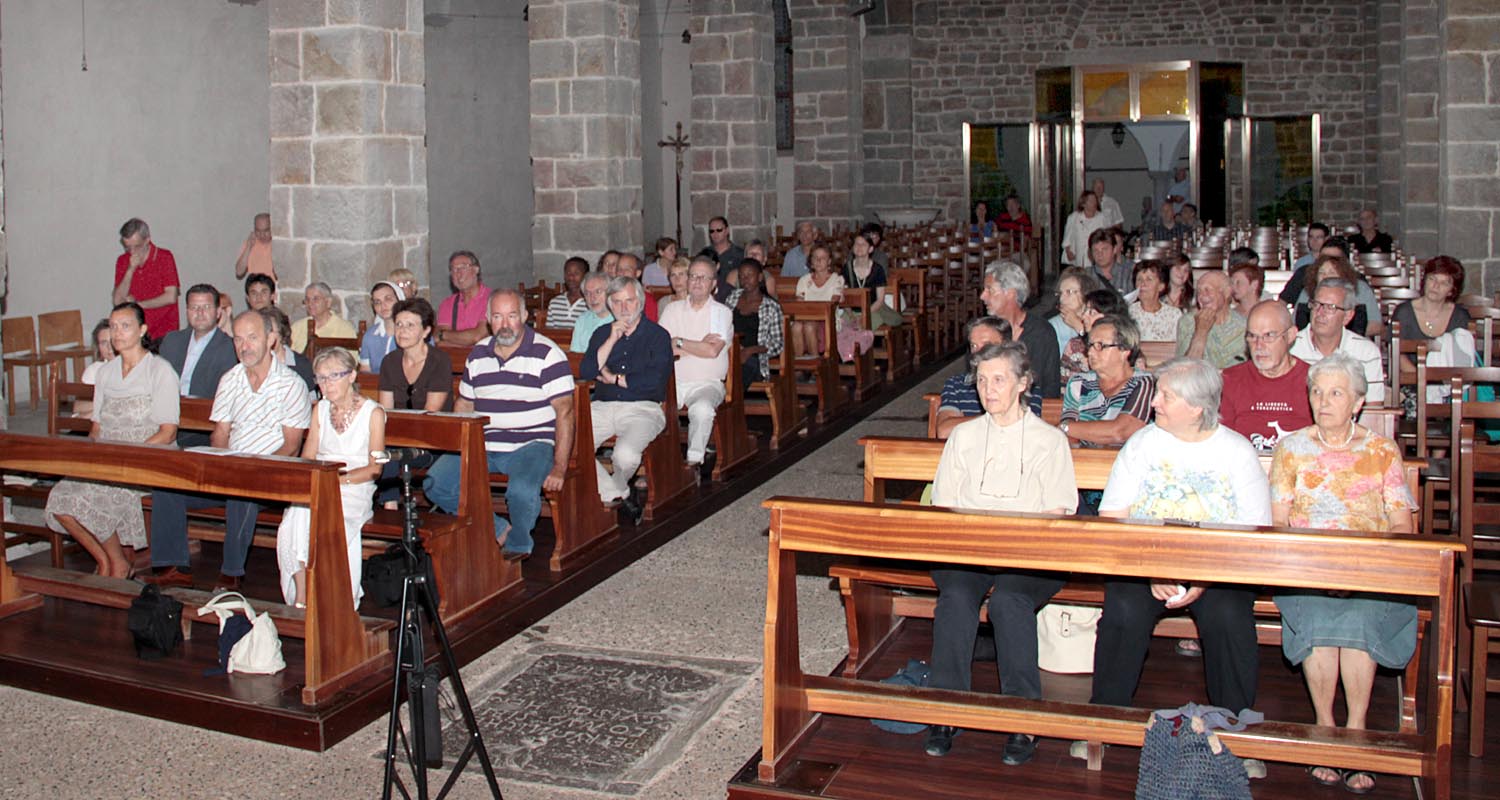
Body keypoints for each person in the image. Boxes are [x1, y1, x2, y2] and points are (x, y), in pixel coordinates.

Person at [1091, 358, 1272, 776]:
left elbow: (1255, 531)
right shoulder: (1143, 444)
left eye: (1166, 396)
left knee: (1228, 616)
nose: (1154, 402)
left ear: (1196, 407)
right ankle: (1104, 721)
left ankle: (1234, 733)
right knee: (1123, 609)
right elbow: (1113, 515)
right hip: (1147, 562)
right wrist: (1152, 569)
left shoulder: (1236, 451)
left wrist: (1204, 578)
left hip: (1219, 567)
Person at [924, 342, 1078, 763]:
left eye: (998, 380)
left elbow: (1057, 513)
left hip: (1031, 555)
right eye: (981, 380)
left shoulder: (1049, 440)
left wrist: (1015, 543)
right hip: (969, 550)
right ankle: (945, 709)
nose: (987, 389)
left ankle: (1023, 717)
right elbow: (945, 503)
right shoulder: (964, 436)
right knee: (956, 597)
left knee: (1009, 601)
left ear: (1023, 383)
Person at [1271, 353, 1415, 795]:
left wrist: (1365, 568)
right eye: (1317, 392)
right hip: (1307, 569)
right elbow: (1278, 523)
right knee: (1317, 618)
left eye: (1335, 393)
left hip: (1369, 571)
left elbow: (1401, 525)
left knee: (1359, 618)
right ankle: (1324, 725)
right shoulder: (1291, 449)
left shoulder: (1381, 451)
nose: (1323, 400)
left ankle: (1355, 730)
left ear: (1357, 402)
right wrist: (1313, 566)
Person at [141, 310, 311, 591]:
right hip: (232, 468)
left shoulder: (291, 384)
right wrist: (224, 464)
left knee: (241, 492)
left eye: (252, 338)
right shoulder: (230, 379)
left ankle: (231, 575)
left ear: (270, 339)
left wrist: (254, 471)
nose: (244, 346)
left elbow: (291, 446)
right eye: (238, 339)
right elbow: (220, 432)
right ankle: (173, 568)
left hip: (274, 473)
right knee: (168, 487)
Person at [424, 290, 574, 561]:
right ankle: (498, 528)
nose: (505, 324)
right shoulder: (478, 354)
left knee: (521, 491)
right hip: (484, 443)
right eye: (497, 317)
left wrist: (560, 466)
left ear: (525, 316)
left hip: (531, 444)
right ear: (488, 319)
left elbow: (565, 412)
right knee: (436, 482)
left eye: (512, 316)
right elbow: (464, 404)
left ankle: (518, 545)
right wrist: (457, 448)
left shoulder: (547, 354)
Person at [46, 303, 180, 579]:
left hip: (147, 459)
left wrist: (130, 457)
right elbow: (96, 428)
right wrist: (92, 459)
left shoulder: (159, 370)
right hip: (108, 458)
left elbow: (168, 432)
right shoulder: (106, 373)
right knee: (61, 496)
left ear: (142, 330)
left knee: (97, 495)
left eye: (125, 326)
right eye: (114, 326)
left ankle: (114, 565)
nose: (117, 333)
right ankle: (109, 560)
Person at [275, 347, 385, 608]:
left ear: (352, 376)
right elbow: (308, 456)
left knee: (328, 520)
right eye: (321, 378)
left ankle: (333, 600)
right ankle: (302, 595)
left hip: (354, 487)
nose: (326, 384)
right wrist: (316, 479)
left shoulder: (373, 413)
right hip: (320, 481)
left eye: (334, 376)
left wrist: (337, 480)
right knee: (296, 516)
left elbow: (375, 468)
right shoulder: (320, 409)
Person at [579, 277, 674, 522]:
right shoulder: (602, 333)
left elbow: (654, 380)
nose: (624, 308)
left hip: (643, 408)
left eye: (629, 301)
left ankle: (615, 490)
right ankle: (617, 494)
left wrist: (616, 378)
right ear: (610, 305)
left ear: (640, 302)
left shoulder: (658, 335)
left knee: (625, 455)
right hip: (602, 406)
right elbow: (587, 371)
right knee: (569, 447)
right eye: (617, 302)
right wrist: (612, 339)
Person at [660, 257, 734, 468]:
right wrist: (698, 345)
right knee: (648, 408)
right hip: (672, 382)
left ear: (713, 284)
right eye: (693, 276)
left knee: (702, 409)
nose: (697, 282)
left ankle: (693, 462)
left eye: (703, 277)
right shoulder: (672, 310)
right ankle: (657, 466)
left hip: (707, 383)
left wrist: (679, 342)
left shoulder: (721, 313)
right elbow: (660, 349)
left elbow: (711, 351)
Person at [1219, 300, 1312, 453]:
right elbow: (1222, 442)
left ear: (1290, 335)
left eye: (1268, 336)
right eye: (1252, 336)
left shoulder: (1314, 381)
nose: (1259, 345)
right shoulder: (1231, 380)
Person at [158, 284, 238, 447]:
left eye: (206, 307)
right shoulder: (172, 340)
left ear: (218, 312)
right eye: (194, 307)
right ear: (187, 311)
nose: (200, 313)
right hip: (163, 419)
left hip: (202, 428)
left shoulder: (230, 347)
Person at [1060, 314, 1154, 448]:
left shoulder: (1143, 382)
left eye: (1100, 346)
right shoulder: (1079, 383)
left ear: (1124, 350)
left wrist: (1067, 427)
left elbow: (1121, 431)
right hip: (1086, 458)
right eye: (1090, 345)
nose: (1090, 352)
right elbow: (1069, 434)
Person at [1290, 279, 1387, 403]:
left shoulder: (1366, 352)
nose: (1320, 313)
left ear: (1347, 316)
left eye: (1330, 307)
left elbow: (1374, 407)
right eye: (1316, 304)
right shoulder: (1290, 347)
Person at [981, 260, 1061, 400]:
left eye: (990, 290)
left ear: (1010, 294)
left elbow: (1050, 387)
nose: (982, 296)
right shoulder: (983, 332)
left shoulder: (1041, 332)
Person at [934, 316, 1020, 438]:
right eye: (974, 346)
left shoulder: (1020, 386)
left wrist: (965, 423)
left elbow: (1024, 431)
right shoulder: (956, 385)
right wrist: (997, 418)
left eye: (986, 345)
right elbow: (944, 431)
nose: (977, 353)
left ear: (1006, 346)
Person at [378, 297, 453, 413]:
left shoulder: (440, 361)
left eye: (410, 325)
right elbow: (386, 410)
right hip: (397, 423)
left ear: (426, 331)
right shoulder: (389, 361)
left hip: (433, 423)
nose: (402, 330)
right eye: (398, 324)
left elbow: (431, 412)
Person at [1290, 245, 1382, 337]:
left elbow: (1376, 326)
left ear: (1343, 275)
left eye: (1331, 272)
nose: (1326, 276)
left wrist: (1339, 334)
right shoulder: (1307, 292)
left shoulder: (1361, 289)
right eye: (1321, 273)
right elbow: (1294, 323)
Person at [112, 218, 180, 334]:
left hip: (164, 331)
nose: (132, 252)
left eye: (137, 246)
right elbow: (118, 301)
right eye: (127, 247)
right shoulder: (122, 261)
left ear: (147, 240)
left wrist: (138, 305)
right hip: (136, 332)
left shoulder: (164, 257)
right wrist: (130, 270)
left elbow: (171, 296)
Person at [725, 259, 785, 382]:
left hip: (756, 358)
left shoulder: (771, 306)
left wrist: (750, 350)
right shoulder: (732, 298)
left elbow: (777, 344)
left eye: (749, 275)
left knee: (743, 368)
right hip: (731, 352)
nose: (745, 279)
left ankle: (730, 393)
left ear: (760, 277)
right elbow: (722, 328)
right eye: (741, 276)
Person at [1175, 270, 1246, 369]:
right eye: (1199, 291)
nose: (1202, 296)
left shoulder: (1243, 326)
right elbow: (1185, 369)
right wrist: (1200, 332)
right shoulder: (1188, 322)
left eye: (1207, 290)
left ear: (1227, 292)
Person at [1392, 255, 1471, 343]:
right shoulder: (1403, 312)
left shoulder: (1460, 317)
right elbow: (1396, 349)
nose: (1436, 286)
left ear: (1451, 291)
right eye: (1432, 279)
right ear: (1425, 280)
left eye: (1444, 283)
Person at [794, 244, 848, 359]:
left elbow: (832, 303)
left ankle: (815, 363)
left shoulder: (836, 280)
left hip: (828, 320)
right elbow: (799, 304)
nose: (818, 261)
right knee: (796, 326)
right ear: (811, 261)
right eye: (815, 257)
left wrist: (814, 312)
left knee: (809, 326)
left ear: (829, 261)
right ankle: (799, 364)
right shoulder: (804, 280)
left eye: (823, 258)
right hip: (806, 318)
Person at [1049, 267, 1103, 381]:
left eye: (1069, 292)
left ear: (1085, 293)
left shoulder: (1099, 319)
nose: (1062, 299)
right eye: (1060, 293)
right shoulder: (1053, 325)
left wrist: (1079, 327)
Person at [843, 232, 904, 331]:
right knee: (841, 328)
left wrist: (863, 316)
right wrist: (851, 315)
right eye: (856, 244)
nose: (859, 247)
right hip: (851, 312)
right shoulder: (847, 268)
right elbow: (843, 295)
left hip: (873, 311)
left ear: (870, 249)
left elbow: (880, 300)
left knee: (862, 328)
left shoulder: (878, 269)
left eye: (863, 244)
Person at [435, 250, 492, 347]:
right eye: (453, 269)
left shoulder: (492, 299)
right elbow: (439, 342)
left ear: (476, 270)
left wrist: (444, 335)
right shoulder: (447, 304)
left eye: (463, 267)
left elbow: (477, 336)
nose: (458, 274)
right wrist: (469, 343)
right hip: (453, 356)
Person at [290, 282, 356, 354]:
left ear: (328, 302)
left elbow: (351, 359)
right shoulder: (297, 327)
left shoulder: (344, 328)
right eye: (307, 300)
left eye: (315, 299)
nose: (310, 303)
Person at [264, 306, 318, 392]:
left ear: (282, 333)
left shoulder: (302, 365)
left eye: (270, 331)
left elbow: (311, 397)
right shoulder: (253, 365)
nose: (266, 337)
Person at [1128, 260, 1183, 341]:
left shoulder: (1174, 315)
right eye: (1139, 279)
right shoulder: (1127, 313)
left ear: (1161, 286)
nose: (1142, 284)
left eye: (1149, 279)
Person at [359, 281, 405, 373]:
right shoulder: (370, 336)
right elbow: (365, 372)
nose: (383, 305)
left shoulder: (416, 332)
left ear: (399, 300)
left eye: (388, 299)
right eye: (377, 302)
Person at [699, 216, 746, 301]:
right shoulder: (705, 253)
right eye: (712, 231)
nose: (715, 234)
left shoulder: (739, 254)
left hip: (732, 297)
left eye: (719, 230)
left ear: (727, 231)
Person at [570, 271, 614, 355]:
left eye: (598, 291)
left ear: (610, 293)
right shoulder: (582, 320)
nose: (592, 298)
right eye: (587, 293)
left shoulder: (619, 318)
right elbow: (575, 355)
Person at [1061, 190, 1108, 267]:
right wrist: (1068, 251)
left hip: (1095, 257)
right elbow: (1067, 237)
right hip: (1078, 257)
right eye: (1091, 201)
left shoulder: (1102, 218)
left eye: (1095, 200)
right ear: (1083, 204)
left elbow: (1106, 237)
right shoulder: (1074, 217)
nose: (1094, 203)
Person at [545, 256, 590, 328]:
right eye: (568, 273)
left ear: (586, 276)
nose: (571, 277)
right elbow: (550, 332)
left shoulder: (590, 303)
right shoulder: (555, 303)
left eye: (576, 273)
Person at [613, 253, 660, 322]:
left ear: (638, 273)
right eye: (619, 269)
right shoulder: (610, 296)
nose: (622, 273)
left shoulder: (647, 300)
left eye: (627, 269)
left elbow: (650, 326)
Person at [1087, 227, 1133, 296]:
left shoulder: (1128, 275)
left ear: (1114, 249)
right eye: (1096, 250)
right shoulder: (1085, 276)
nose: (1100, 254)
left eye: (1104, 249)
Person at [233, 212, 275, 281]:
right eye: (258, 231)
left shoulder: (279, 244)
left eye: (266, 231)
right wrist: (248, 247)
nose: (262, 235)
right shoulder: (250, 243)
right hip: (254, 286)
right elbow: (239, 272)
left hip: (275, 287)